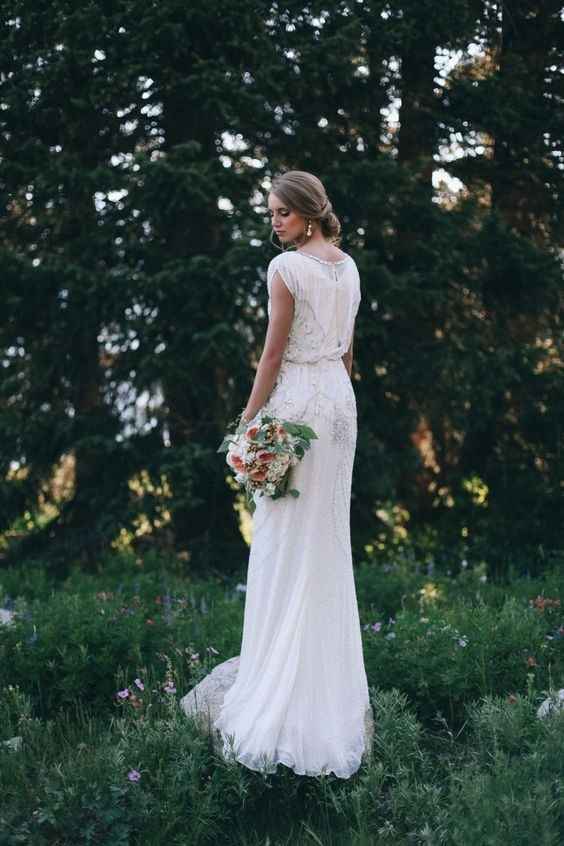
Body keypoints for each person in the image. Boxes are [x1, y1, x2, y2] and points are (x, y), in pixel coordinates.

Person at [213, 170, 370, 778]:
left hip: (300, 405)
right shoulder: (348, 267)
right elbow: (348, 350)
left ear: (307, 215)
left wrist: (247, 425)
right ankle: (324, 684)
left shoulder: (286, 270)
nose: (274, 222)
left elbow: (273, 354)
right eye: (271, 213)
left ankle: (279, 684)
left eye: (282, 213)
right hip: (339, 404)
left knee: (284, 538)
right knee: (327, 539)